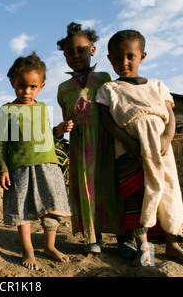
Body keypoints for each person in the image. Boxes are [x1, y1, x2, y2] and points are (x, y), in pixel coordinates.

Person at [96, 29, 183, 266]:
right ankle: (144, 247)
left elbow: (170, 115)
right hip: (129, 148)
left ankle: (172, 245)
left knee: (167, 191)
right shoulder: (109, 89)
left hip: (161, 148)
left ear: (142, 56)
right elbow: (107, 120)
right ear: (110, 59)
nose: (124, 63)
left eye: (130, 56)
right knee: (136, 195)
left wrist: (167, 137)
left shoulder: (157, 85)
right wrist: (126, 140)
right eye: (118, 58)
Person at [54, 22, 133, 256]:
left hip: (107, 140)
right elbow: (66, 117)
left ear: (93, 50)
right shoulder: (63, 88)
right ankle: (93, 236)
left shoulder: (105, 78)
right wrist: (64, 127)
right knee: (86, 189)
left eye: (81, 50)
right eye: (69, 52)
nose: (75, 55)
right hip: (81, 146)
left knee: (114, 187)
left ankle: (124, 238)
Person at [0, 52, 72, 270]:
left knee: (52, 208)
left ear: (42, 85)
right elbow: (2, 143)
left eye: (33, 87)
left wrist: (58, 131)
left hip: (48, 165)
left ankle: (49, 246)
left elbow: (45, 136)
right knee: (22, 209)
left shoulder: (42, 108)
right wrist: (2, 169)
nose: (27, 92)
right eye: (22, 85)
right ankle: (27, 249)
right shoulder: (7, 110)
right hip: (19, 166)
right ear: (12, 82)